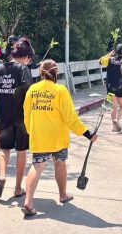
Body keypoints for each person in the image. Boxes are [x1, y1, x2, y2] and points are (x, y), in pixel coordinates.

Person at [21, 60, 98, 216]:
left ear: (41, 72)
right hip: (57, 138)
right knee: (60, 163)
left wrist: (31, 132)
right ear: (56, 72)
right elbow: (70, 118)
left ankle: (28, 201)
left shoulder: (32, 90)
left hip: (39, 136)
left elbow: (26, 114)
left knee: (37, 166)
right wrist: (87, 134)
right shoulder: (60, 90)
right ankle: (62, 195)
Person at [0, 37, 34, 199]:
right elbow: (30, 93)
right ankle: (17, 188)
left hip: (3, 114)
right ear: (26, 57)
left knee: (5, 149)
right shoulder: (23, 69)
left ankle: (2, 176)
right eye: (29, 59)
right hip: (21, 117)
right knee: (21, 151)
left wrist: (6, 95)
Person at [99, 43, 122, 132]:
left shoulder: (109, 60)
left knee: (114, 107)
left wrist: (110, 54)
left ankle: (114, 127)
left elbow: (100, 61)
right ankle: (116, 120)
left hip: (110, 87)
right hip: (121, 86)